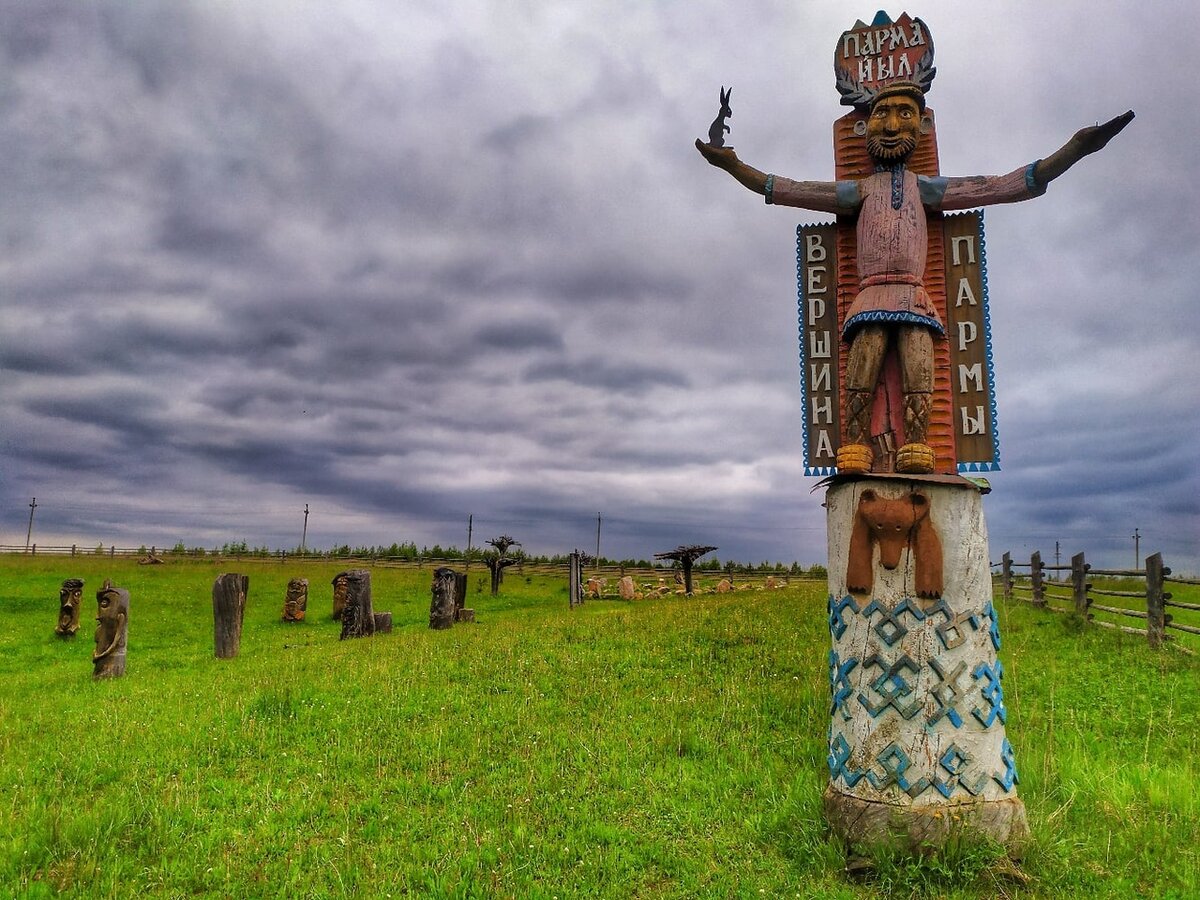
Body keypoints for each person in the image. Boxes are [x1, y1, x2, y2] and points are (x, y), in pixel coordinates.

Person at [696, 82, 1133, 474]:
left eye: (904, 113)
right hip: (868, 296)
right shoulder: (859, 191)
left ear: (921, 125)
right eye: (880, 116)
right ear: (863, 130)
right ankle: (854, 445)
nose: (890, 125)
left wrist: (1074, 149)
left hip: (913, 295)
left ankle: (920, 445)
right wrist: (734, 166)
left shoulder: (928, 189)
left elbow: (1004, 185)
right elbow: (787, 188)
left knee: (919, 372)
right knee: (860, 371)